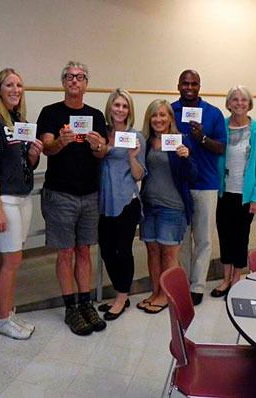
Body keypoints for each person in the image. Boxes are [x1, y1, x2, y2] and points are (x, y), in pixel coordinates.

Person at [37, 61, 108, 336]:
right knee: (65, 251)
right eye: (69, 76)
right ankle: (70, 308)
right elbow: (46, 148)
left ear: (86, 83)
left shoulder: (96, 115)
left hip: (90, 194)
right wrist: (62, 141)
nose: (74, 81)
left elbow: (102, 152)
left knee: (84, 251)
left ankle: (86, 302)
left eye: (80, 77)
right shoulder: (50, 113)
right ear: (63, 82)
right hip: (60, 194)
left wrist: (97, 146)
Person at [0, 68, 43, 339]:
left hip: (22, 196)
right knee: (10, 261)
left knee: (15, 259)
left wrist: (34, 155)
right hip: (3, 199)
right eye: (9, 85)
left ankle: (9, 313)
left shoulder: (17, 119)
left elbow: (23, 161)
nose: (15, 90)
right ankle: (2, 319)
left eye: (19, 85)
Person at [172, 69, 226, 306]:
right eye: (185, 83)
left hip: (205, 184)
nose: (189, 87)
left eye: (194, 83)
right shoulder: (169, 111)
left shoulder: (212, 114)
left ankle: (198, 285)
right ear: (178, 85)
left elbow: (221, 148)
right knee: (181, 239)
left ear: (200, 86)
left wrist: (202, 137)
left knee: (203, 238)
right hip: (177, 184)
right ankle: (183, 281)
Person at [211, 86, 256, 298]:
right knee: (224, 235)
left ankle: (236, 278)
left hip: (245, 196)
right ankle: (225, 278)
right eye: (234, 99)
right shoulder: (221, 127)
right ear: (228, 103)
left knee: (240, 238)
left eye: (244, 100)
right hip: (223, 193)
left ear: (249, 103)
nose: (239, 103)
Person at [138, 99, 195, 314]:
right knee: (152, 252)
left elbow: (192, 176)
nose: (159, 119)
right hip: (149, 206)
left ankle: (166, 296)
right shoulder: (145, 142)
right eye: (154, 115)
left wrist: (186, 158)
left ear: (170, 118)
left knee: (169, 254)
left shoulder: (179, 142)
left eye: (163, 115)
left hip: (172, 208)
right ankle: (155, 292)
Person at [96, 89, 145, 320]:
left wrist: (132, 157)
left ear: (130, 110)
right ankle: (119, 290)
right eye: (117, 105)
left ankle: (121, 296)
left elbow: (138, 175)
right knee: (106, 250)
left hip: (127, 202)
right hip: (104, 202)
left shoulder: (136, 136)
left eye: (125, 106)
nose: (120, 110)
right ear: (110, 107)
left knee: (123, 250)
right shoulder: (101, 133)